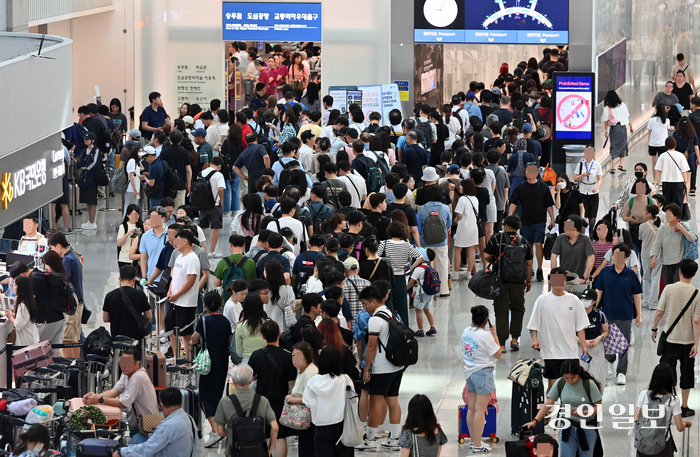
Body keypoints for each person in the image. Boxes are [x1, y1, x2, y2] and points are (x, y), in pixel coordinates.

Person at [356, 285, 404, 452]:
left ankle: (369, 440)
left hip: (381, 368)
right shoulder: (392, 314)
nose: (364, 307)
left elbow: (371, 347)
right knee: (393, 401)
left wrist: (366, 368)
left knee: (376, 402)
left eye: (365, 303)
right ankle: (394, 439)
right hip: (396, 366)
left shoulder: (374, 319)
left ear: (374, 301)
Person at [651, 259, 700, 417]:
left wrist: (654, 329)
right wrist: (696, 343)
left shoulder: (669, 289)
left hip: (671, 340)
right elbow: (696, 321)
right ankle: (684, 407)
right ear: (694, 274)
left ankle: (668, 405)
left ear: (679, 272)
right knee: (686, 373)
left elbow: (659, 312)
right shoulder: (697, 294)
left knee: (667, 372)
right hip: (688, 341)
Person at [527, 268, 590, 393]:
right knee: (554, 387)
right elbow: (533, 324)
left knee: (572, 386)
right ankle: (549, 410)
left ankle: (566, 411)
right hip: (551, 352)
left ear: (565, 280)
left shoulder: (574, 300)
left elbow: (580, 327)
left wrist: (584, 347)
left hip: (571, 352)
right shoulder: (542, 300)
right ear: (550, 281)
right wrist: (535, 339)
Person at [523, 360, 602, 457]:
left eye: (572, 378)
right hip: (567, 427)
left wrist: (584, 412)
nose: (569, 381)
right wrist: (535, 421)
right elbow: (548, 403)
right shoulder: (561, 382)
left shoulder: (589, 384)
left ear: (578, 374)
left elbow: (599, 407)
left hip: (587, 428)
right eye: (566, 378)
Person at [83, 347, 159, 445]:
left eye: (128, 363)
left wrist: (100, 399)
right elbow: (114, 392)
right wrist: (94, 397)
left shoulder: (138, 376)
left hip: (147, 429)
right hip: (138, 427)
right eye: (122, 363)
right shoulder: (127, 374)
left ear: (137, 363)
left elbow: (123, 403)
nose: (124, 366)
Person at [483, 215, 533, 352]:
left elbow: (486, 255)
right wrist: (528, 280)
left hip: (500, 281)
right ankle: (515, 339)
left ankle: (502, 344)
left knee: (501, 311)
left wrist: (496, 259)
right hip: (518, 282)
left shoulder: (496, 238)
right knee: (518, 309)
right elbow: (529, 263)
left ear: (505, 225)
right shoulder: (524, 241)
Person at [596, 244, 643, 385]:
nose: (615, 258)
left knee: (624, 345)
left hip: (625, 314)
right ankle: (610, 359)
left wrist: (639, 314)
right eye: (614, 255)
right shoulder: (605, 272)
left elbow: (636, 295)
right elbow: (599, 291)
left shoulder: (631, 275)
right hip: (607, 314)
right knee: (605, 344)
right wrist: (594, 309)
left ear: (626, 258)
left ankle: (621, 372)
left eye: (619, 256)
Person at [191, 291, 232, 447]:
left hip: (208, 363)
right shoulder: (226, 321)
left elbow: (194, 339)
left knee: (204, 396)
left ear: (206, 306)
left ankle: (215, 431)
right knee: (216, 394)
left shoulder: (204, 322)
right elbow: (229, 341)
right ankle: (220, 428)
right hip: (222, 361)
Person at [214, 364, 279, 457]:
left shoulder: (225, 402)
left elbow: (220, 431)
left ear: (233, 380)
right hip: (258, 451)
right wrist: (269, 448)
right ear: (251, 380)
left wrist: (233, 434)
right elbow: (275, 427)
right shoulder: (263, 401)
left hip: (234, 452)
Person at [303, 345, 356, 457]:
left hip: (320, 425)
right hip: (342, 425)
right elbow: (353, 399)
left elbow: (306, 401)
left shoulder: (314, 382)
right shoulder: (345, 379)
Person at [461, 305, 500, 452]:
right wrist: (495, 336)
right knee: (480, 410)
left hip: (469, 373)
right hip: (483, 373)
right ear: (486, 319)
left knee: (471, 409)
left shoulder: (466, 331)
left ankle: (473, 441)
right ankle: (477, 444)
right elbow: (498, 354)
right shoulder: (485, 336)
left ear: (472, 317)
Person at [633, 363, 693, 457]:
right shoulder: (673, 400)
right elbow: (679, 427)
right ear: (670, 380)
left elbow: (636, 419)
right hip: (663, 446)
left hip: (643, 443)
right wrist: (685, 423)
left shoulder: (643, 394)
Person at [118, 387, 198, 457]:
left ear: (162, 405)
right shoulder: (189, 418)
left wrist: (122, 452)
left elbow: (147, 449)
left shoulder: (167, 426)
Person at [508, 163, 555, 281]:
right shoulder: (521, 187)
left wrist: (552, 218)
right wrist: (509, 216)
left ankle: (539, 269)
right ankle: (529, 268)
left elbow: (548, 204)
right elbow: (514, 202)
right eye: (527, 171)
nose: (529, 173)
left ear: (537, 173)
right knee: (528, 246)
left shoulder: (543, 187)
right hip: (525, 221)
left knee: (539, 244)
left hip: (540, 220)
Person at [9, 261, 65, 348]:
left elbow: (28, 301)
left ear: (21, 275)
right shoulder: (38, 274)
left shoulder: (34, 280)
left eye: (15, 283)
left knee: (38, 351)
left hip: (47, 321)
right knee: (53, 351)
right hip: (57, 318)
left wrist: (14, 313)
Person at [378, 221, 422, 325]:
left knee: (387, 304)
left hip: (387, 278)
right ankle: (403, 327)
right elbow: (420, 257)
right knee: (402, 306)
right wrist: (410, 268)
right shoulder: (407, 245)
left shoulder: (384, 244)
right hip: (401, 278)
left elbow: (377, 257)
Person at [166, 230, 201, 359]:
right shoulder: (179, 256)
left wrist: (177, 295)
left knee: (185, 334)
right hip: (174, 300)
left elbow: (190, 282)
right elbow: (174, 277)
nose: (175, 243)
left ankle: (186, 360)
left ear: (185, 241)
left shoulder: (192, 259)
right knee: (170, 329)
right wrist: (170, 291)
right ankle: (176, 357)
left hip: (185, 302)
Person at [417, 185, 452, 297]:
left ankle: (429, 288)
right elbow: (448, 225)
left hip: (426, 242)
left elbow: (420, 225)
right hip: (442, 241)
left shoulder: (422, 209)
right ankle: (444, 290)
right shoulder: (445, 208)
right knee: (443, 264)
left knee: (427, 265)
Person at [651, 203, 697, 285]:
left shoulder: (683, 225)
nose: (666, 216)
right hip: (666, 262)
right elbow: (657, 244)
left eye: (669, 214)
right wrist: (654, 257)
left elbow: (692, 238)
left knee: (677, 285)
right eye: (666, 214)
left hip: (679, 261)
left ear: (676, 216)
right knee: (668, 285)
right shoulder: (663, 228)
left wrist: (682, 229)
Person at [103, 265, 153, 340]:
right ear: (134, 279)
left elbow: (105, 318)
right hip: (135, 338)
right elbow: (149, 316)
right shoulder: (140, 295)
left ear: (120, 278)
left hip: (117, 338)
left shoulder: (110, 295)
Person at [286, 342, 319, 457]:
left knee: (308, 447)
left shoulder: (310, 372)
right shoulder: (302, 370)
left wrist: (293, 399)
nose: (294, 359)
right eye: (293, 355)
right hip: (304, 417)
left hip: (309, 417)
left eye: (298, 355)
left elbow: (311, 398)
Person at [578, 288, 609, 395]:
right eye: (582, 298)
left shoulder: (599, 315)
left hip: (596, 348)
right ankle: (583, 395)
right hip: (582, 349)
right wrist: (583, 342)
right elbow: (571, 334)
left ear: (593, 301)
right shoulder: (576, 315)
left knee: (597, 372)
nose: (583, 300)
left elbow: (606, 331)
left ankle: (597, 396)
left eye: (586, 299)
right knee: (582, 371)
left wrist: (598, 339)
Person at [453, 179, 481, 281]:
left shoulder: (462, 199)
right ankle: (469, 273)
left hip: (463, 227)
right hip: (473, 227)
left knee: (458, 249)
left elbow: (459, 214)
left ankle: (455, 273)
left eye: (461, 186)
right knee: (471, 250)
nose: (460, 187)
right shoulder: (475, 199)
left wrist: (456, 218)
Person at [407, 249, 438, 337]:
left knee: (419, 311)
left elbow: (412, 281)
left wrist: (405, 289)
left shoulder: (419, 269)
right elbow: (425, 282)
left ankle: (420, 330)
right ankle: (433, 327)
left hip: (421, 294)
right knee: (427, 310)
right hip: (430, 293)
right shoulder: (430, 267)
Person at [200, 156, 226, 258]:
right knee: (214, 228)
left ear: (211, 163)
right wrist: (222, 202)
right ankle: (211, 252)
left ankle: (195, 246)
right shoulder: (218, 175)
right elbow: (220, 189)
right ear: (219, 166)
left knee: (201, 226)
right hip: (215, 205)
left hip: (203, 204)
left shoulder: (201, 173)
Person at [572, 147, 603, 228]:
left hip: (593, 192)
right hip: (582, 191)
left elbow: (600, 179)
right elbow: (575, 178)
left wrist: (596, 187)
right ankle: (582, 235)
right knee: (583, 216)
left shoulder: (597, 165)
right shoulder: (580, 164)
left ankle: (591, 236)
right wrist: (583, 175)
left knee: (592, 216)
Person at [603, 90, 633, 172]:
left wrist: (605, 131)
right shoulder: (622, 105)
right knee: (623, 145)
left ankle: (613, 167)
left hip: (615, 128)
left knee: (614, 146)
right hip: (623, 127)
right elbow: (628, 116)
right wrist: (631, 126)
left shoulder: (607, 107)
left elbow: (605, 120)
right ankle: (621, 165)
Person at [655, 138, 690, 208]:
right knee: (678, 202)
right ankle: (677, 217)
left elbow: (658, 170)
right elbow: (684, 171)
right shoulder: (681, 155)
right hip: (678, 182)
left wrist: (656, 182)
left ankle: (668, 216)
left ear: (666, 145)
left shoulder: (662, 156)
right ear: (675, 144)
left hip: (666, 181)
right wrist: (686, 182)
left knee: (667, 202)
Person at [77, 132, 101, 230]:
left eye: (88, 139)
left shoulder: (96, 150)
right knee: (88, 200)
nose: (85, 140)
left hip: (92, 178)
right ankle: (89, 221)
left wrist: (86, 168)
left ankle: (92, 221)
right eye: (85, 139)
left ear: (93, 140)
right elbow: (80, 162)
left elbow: (95, 163)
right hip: (85, 179)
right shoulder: (84, 151)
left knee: (92, 200)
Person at [640, 204, 662, 310]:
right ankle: (654, 303)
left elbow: (641, 238)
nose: (643, 212)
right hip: (658, 255)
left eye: (644, 210)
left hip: (646, 254)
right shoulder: (661, 225)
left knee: (646, 278)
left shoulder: (642, 226)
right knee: (655, 278)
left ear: (649, 214)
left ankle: (645, 301)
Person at [6, 276, 39, 346]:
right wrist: (13, 316)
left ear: (20, 288)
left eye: (15, 285)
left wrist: (10, 317)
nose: (13, 287)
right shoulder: (28, 301)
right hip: (31, 337)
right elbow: (22, 320)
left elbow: (18, 325)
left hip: (26, 340)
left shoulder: (23, 305)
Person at [235, 293, 267, 362]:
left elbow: (239, 353)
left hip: (247, 362)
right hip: (266, 360)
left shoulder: (240, 327)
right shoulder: (267, 324)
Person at [673, 117, 700, 196]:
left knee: (680, 173)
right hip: (690, 156)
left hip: (679, 155)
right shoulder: (692, 134)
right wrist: (698, 157)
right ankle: (691, 189)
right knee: (690, 174)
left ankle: (680, 188)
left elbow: (674, 146)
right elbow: (696, 147)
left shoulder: (676, 134)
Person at [648, 104, 672, 183]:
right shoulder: (666, 120)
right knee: (663, 164)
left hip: (653, 144)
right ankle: (661, 182)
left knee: (654, 163)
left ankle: (655, 181)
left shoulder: (651, 120)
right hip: (663, 144)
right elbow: (669, 128)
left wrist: (648, 145)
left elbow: (649, 133)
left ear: (657, 110)